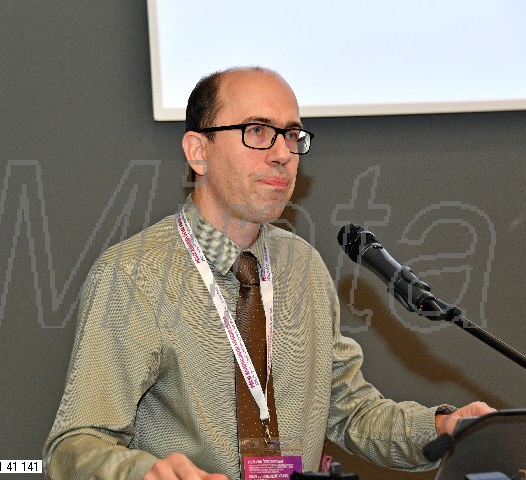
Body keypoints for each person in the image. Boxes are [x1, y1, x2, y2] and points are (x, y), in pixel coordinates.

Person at [42, 66, 494, 480]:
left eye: (292, 135)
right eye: (257, 131)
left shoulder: (303, 267)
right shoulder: (133, 275)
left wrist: (442, 427)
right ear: (198, 151)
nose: (283, 153)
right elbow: (74, 446)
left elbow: (351, 413)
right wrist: (141, 473)